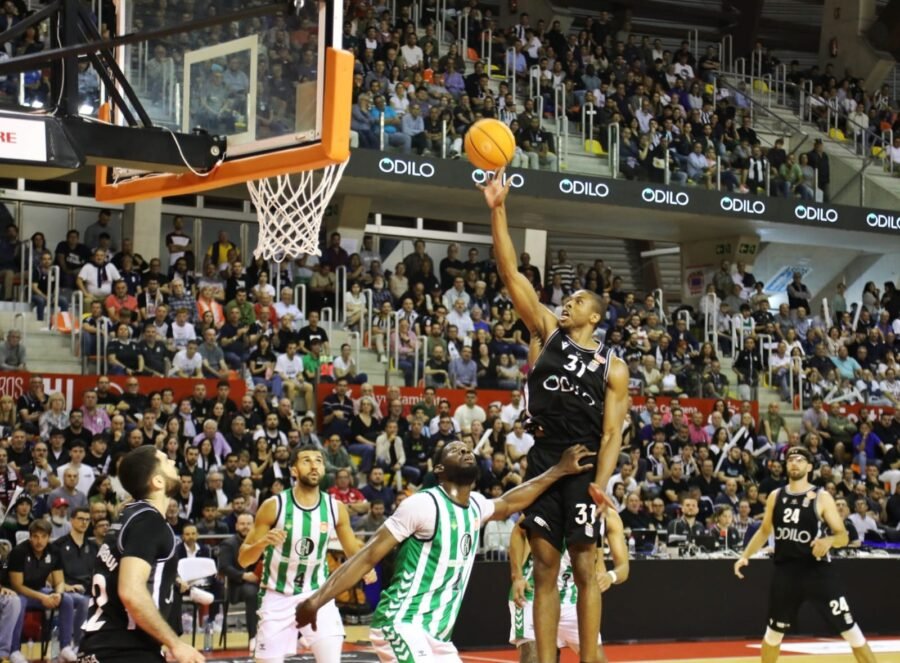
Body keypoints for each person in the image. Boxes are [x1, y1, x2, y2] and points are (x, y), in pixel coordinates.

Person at [479, 168, 629, 663]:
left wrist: (602, 483)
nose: (568, 302)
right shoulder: (546, 330)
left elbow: (612, 432)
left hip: (584, 464)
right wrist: (498, 210)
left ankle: (588, 658)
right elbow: (510, 275)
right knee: (544, 565)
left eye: (579, 300)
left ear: (596, 317)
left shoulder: (613, 365)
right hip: (545, 455)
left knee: (585, 567)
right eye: (568, 298)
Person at [296, 442, 594, 662]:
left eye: (468, 449)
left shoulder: (476, 506)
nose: (466, 452)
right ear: (439, 469)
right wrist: (317, 599)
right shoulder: (423, 504)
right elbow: (367, 556)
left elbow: (510, 502)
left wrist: (559, 470)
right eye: (455, 450)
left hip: (439, 637)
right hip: (403, 623)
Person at [734, 446, 878, 663]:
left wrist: (828, 540)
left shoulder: (822, 497)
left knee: (851, 631)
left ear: (809, 467)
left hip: (817, 572)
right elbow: (765, 530)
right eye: (790, 459)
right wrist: (745, 555)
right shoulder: (776, 495)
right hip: (786, 573)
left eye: (800, 460)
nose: (794, 463)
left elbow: (843, 536)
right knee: (773, 634)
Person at [238, 445, 376, 662]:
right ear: (293, 470)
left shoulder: (335, 507)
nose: (314, 465)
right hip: (277, 595)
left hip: (316, 594)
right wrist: (262, 543)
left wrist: (365, 568)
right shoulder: (274, 506)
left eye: (318, 460)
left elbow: (352, 549)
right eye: (306, 460)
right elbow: (243, 558)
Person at [78, 446, 205, 663]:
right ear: (157, 481)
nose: (174, 463)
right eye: (166, 461)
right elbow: (131, 591)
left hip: (103, 648)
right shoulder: (149, 521)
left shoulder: (129, 516)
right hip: (123, 651)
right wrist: (176, 644)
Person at [509, 508, 629, 663]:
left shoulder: (609, 517)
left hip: (574, 600)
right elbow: (518, 532)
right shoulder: (554, 504)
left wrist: (610, 577)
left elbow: (624, 568)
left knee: (596, 659)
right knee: (534, 658)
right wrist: (517, 576)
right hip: (534, 595)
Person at [216, 512, 260, 650]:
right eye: (242, 524)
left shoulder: (260, 542)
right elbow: (223, 567)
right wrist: (243, 576)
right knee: (251, 592)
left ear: (254, 526)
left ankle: (296, 637)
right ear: (236, 526)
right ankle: (253, 636)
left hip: (261, 584)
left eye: (248, 524)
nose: (245, 527)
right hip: (236, 587)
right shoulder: (228, 544)